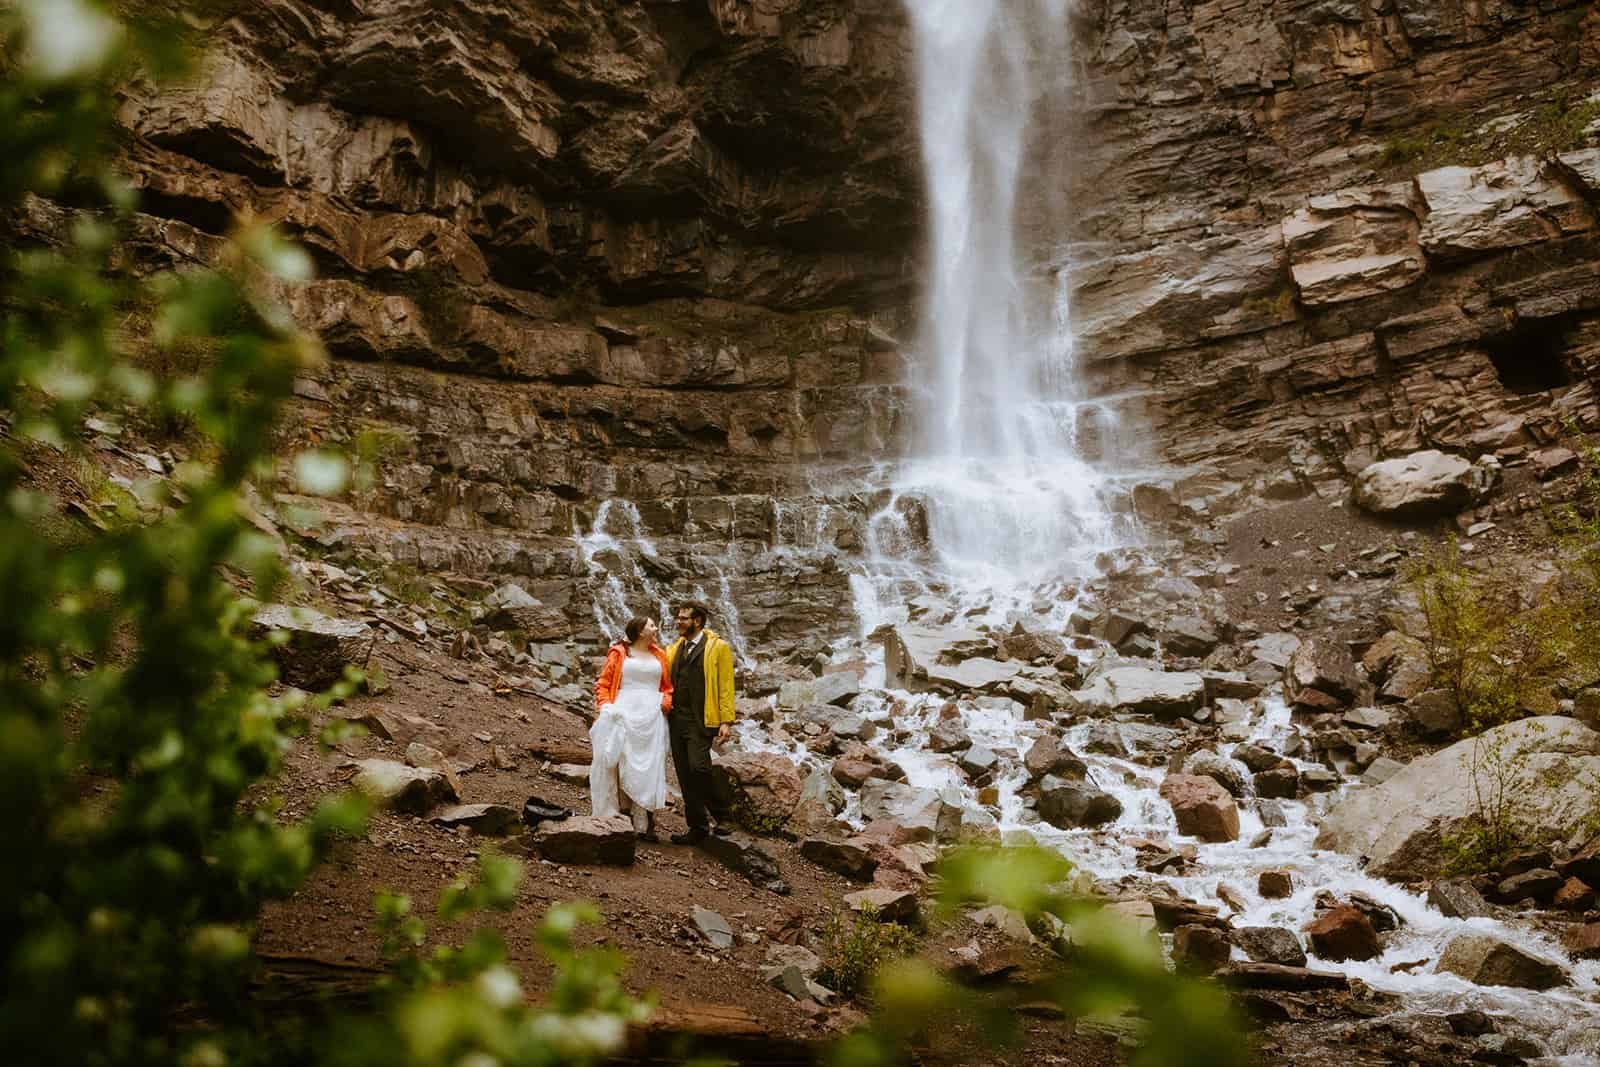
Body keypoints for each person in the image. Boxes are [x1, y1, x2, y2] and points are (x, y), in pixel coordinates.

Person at [589, 615, 672, 841]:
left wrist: (666, 700)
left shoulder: (660, 654)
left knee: (651, 764)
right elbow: (603, 683)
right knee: (624, 761)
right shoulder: (619, 652)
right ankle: (624, 817)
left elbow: (667, 686)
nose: (656, 628)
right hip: (625, 711)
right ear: (639, 631)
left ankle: (647, 821)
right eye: (651, 625)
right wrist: (606, 706)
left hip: (652, 715)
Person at [662, 601, 736, 845]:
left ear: (697, 621)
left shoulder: (718, 648)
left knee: (700, 768)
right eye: (678, 617)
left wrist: (726, 720)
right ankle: (697, 827)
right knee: (684, 775)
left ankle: (723, 816)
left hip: (701, 720)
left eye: (683, 618)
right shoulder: (675, 649)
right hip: (676, 720)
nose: (678, 622)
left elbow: (726, 685)